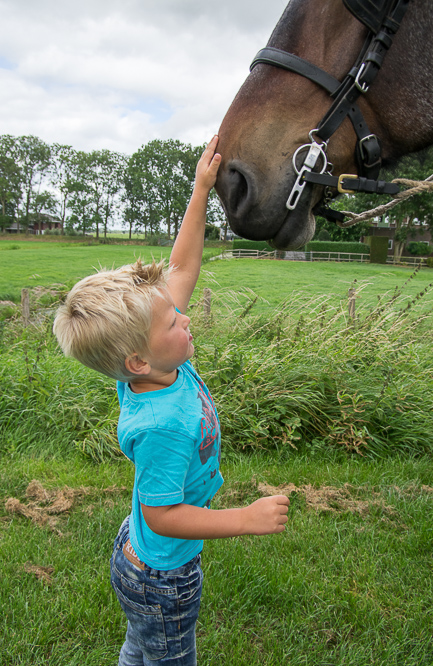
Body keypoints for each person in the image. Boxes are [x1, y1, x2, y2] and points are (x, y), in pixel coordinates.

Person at [53, 136, 290, 666]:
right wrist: (244, 518)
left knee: (144, 648)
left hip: (143, 555)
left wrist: (200, 190)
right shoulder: (164, 423)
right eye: (173, 320)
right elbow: (162, 515)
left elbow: (180, 271)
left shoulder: (152, 364)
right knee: (168, 656)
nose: (185, 317)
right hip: (162, 573)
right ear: (138, 359)